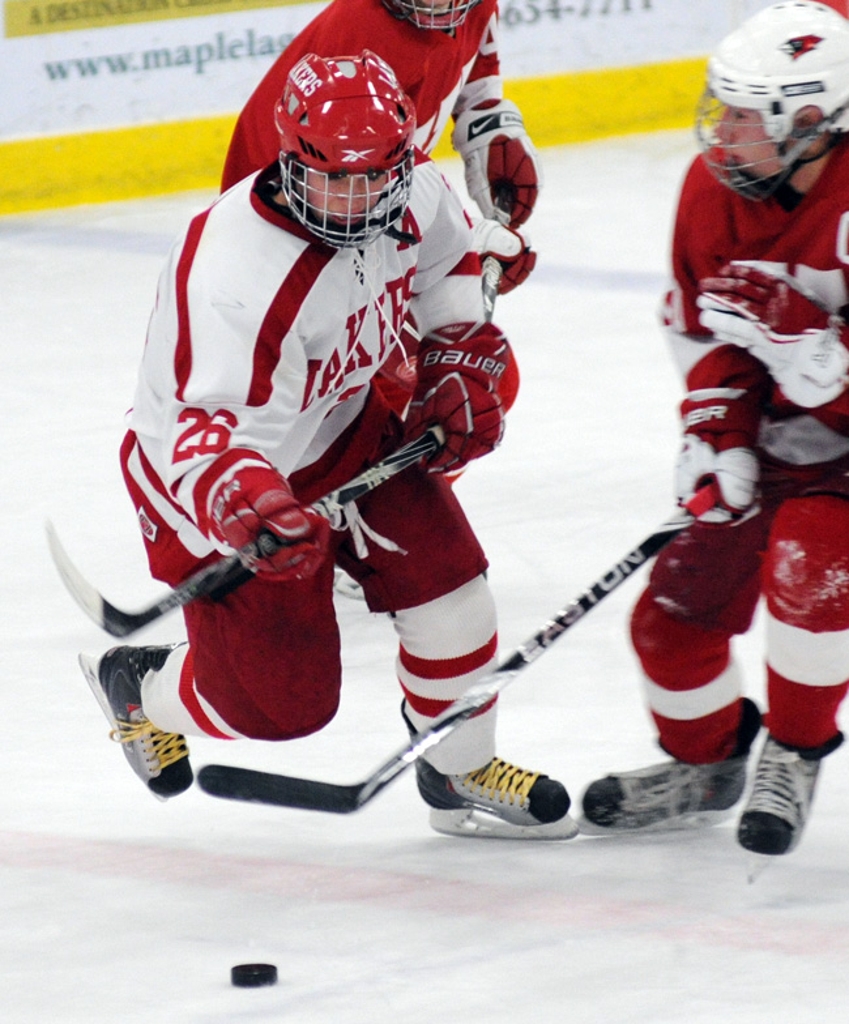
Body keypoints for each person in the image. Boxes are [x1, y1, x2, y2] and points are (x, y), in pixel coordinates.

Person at [78, 51, 576, 841]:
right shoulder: (232, 269)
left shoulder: (406, 188)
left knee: (453, 599)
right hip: (219, 481)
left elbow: (448, 263)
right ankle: (143, 685)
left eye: (377, 177)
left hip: (346, 431)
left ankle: (458, 770)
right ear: (289, 161)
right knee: (279, 709)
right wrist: (249, 501)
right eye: (333, 180)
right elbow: (201, 428)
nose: (356, 201)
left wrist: (454, 354)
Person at [580, 1, 849, 858]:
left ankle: (796, 751)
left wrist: (819, 357)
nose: (719, 134)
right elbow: (703, 333)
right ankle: (709, 762)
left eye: (742, 116)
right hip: (771, 442)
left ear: (809, 122)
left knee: (809, 573)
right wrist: (717, 434)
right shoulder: (712, 192)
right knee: (669, 622)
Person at [222, 0, 539, 420]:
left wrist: (488, 125)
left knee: (468, 387)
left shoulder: (476, 7)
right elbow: (346, 188)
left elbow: (474, 79)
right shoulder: (360, 35)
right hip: (298, 242)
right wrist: (459, 245)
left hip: (364, 213)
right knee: (456, 390)